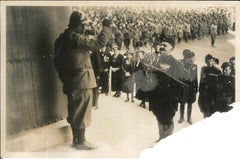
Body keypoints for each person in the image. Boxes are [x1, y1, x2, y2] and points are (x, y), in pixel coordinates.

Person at [54, 11, 112, 150]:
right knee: (82, 112)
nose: (86, 28)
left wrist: (65, 77)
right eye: (84, 25)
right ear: (78, 25)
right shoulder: (76, 39)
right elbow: (100, 43)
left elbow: (56, 61)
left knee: (74, 111)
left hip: (71, 81)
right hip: (82, 81)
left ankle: (76, 140)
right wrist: (106, 26)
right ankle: (81, 142)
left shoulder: (62, 38)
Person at [147, 38, 186, 142]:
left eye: (165, 45)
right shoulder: (157, 59)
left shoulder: (175, 63)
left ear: (171, 48)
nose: (162, 47)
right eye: (162, 44)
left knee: (167, 119)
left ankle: (166, 141)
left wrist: (174, 97)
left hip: (168, 98)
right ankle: (161, 137)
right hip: (157, 96)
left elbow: (180, 82)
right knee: (159, 117)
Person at [198, 54, 222, 118]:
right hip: (204, 94)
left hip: (212, 94)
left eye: (211, 60)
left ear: (213, 61)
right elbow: (201, 80)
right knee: (204, 110)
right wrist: (200, 91)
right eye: (207, 61)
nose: (209, 62)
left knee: (211, 112)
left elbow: (220, 84)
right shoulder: (203, 69)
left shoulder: (217, 71)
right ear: (205, 61)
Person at [178, 49, 198, 124]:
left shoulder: (195, 66)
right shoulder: (181, 64)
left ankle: (189, 117)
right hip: (183, 87)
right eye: (191, 58)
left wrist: (196, 88)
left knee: (190, 103)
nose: (193, 59)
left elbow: (196, 78)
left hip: (191, 88)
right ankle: (181, 117)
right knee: (182, 103)